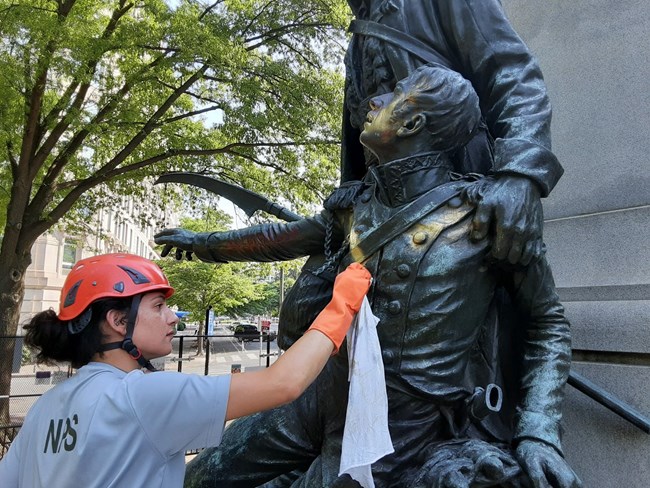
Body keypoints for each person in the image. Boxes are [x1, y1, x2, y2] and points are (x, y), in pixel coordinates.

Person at [160, 65, 581, 487]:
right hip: (318, 390)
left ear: (413, 122)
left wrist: (539, 430)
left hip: (398, 421)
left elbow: (548, 324)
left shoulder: (483, 217)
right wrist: (204, 243)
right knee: (199, 478)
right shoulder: (356, 205)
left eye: (395, 94)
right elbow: (279, 238)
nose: (374, 101)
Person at [0, 253, 371, 488]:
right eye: (159, 305)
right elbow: (284, 383)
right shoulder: (141, 396)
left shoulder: (43, 411)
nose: (172, 318)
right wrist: (342, 305)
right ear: (116, 321)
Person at [342, 0, 562, 265]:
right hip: (378, 217)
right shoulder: (359, 34)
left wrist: (520, 176)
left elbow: (512, 72)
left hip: (456, 215)